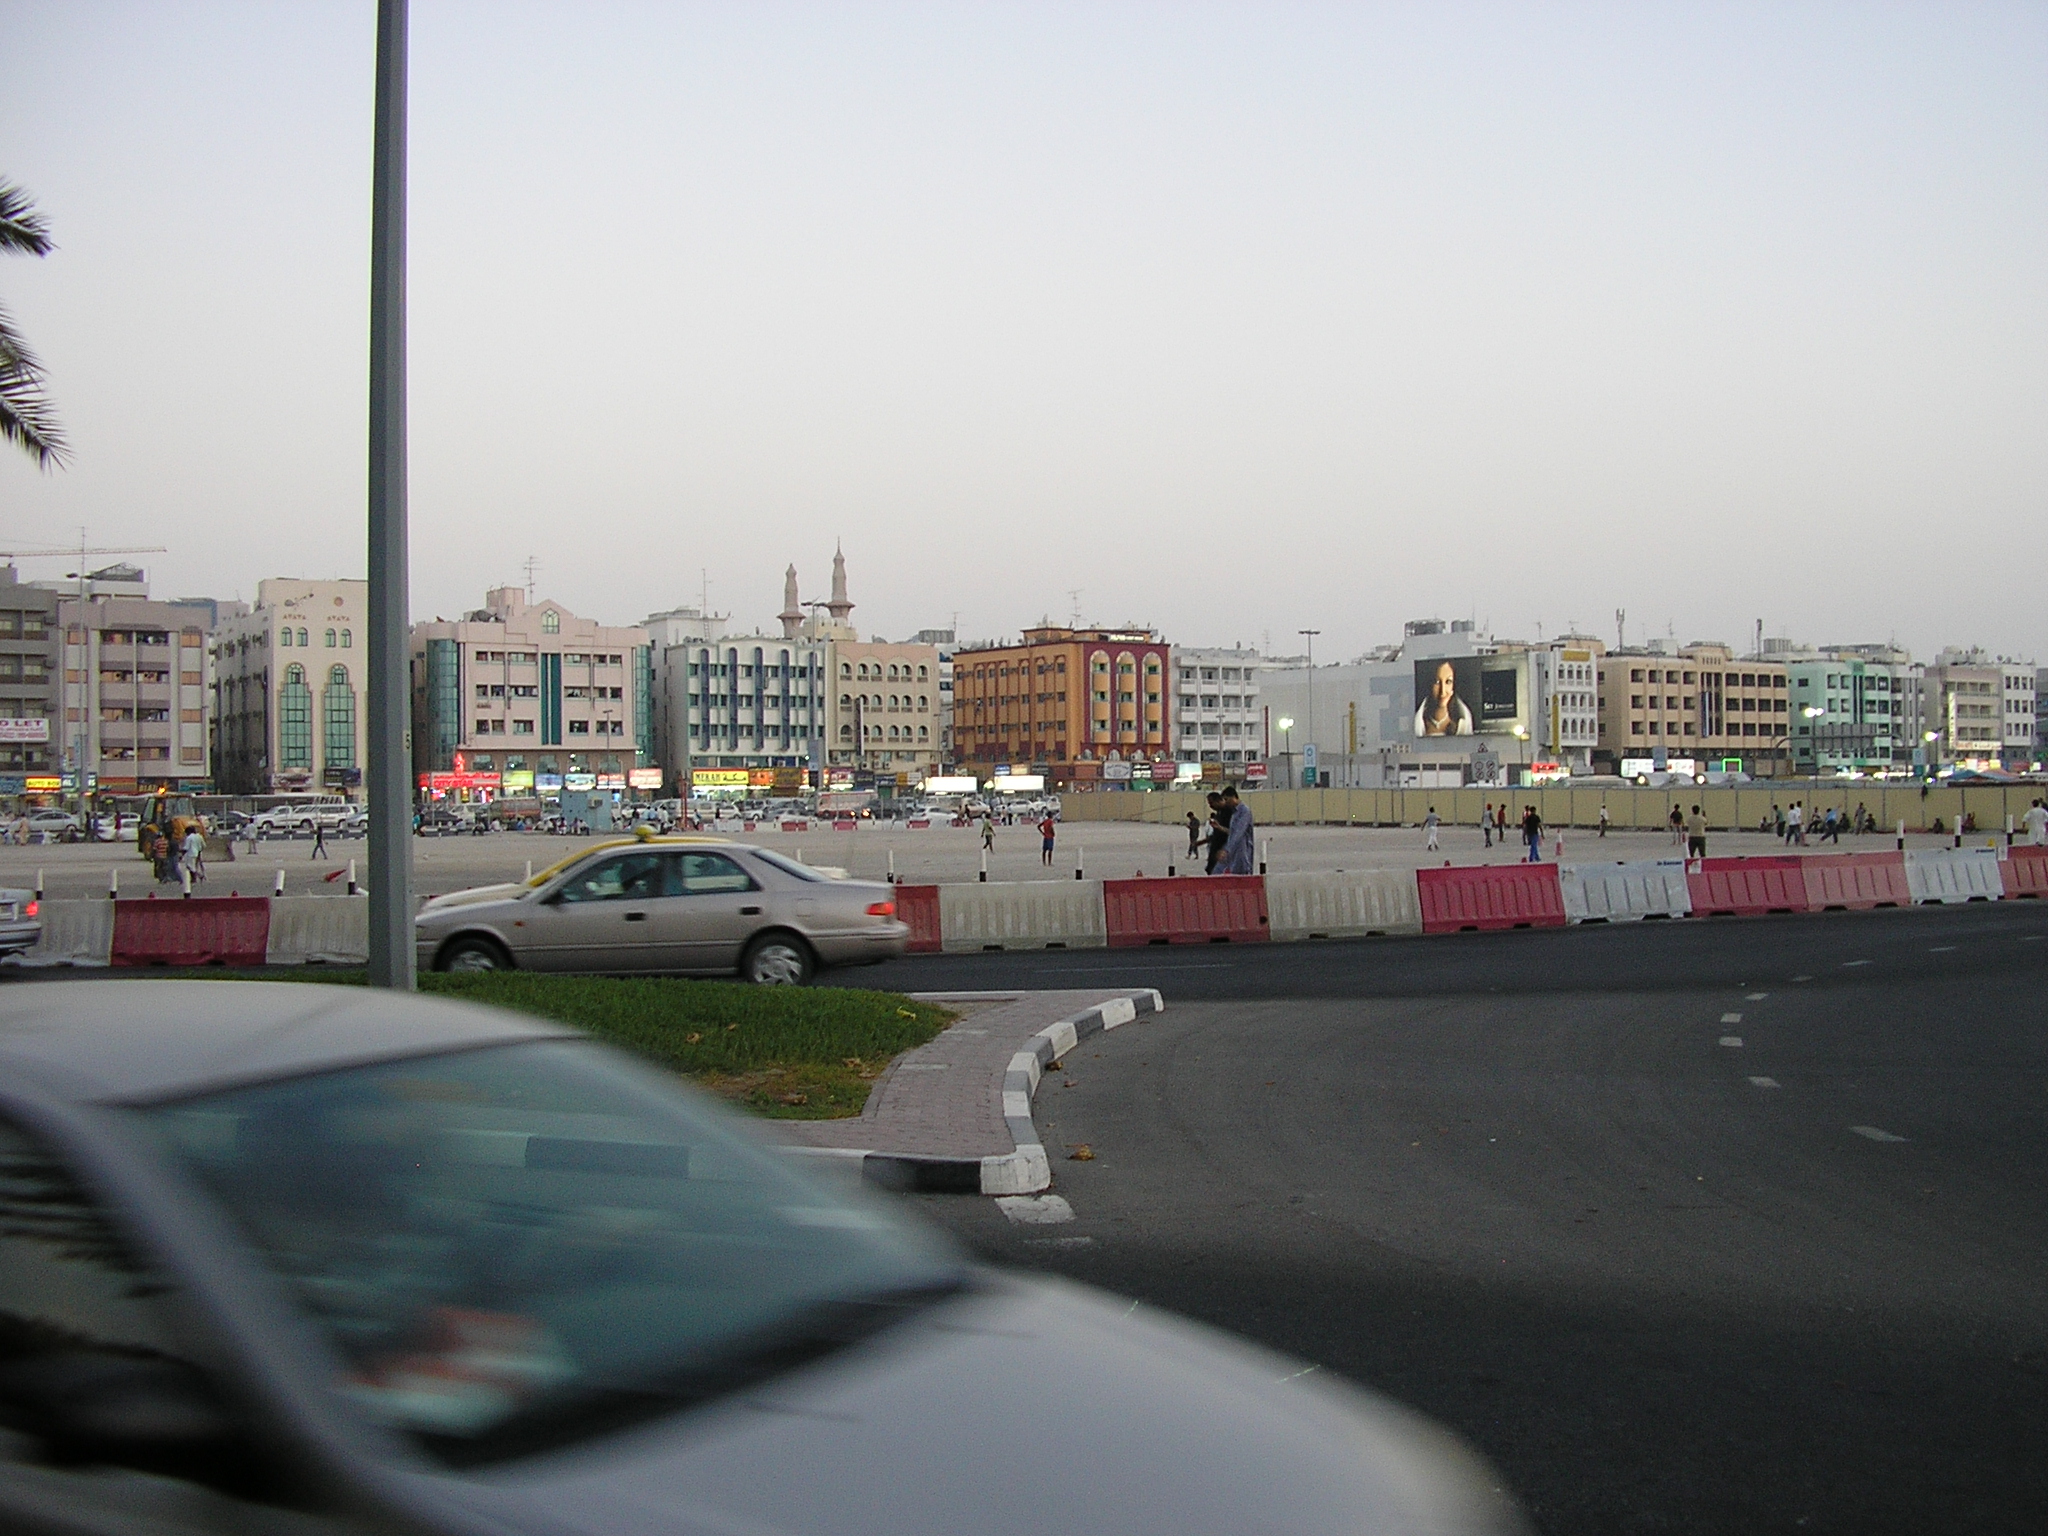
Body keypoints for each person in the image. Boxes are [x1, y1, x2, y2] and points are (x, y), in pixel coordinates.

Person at [1413, 660, 1474, 736]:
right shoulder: (1418, 722)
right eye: (1437, 682)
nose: (1442, 691)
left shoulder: (1463, 724)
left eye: (1448, 682)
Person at [1214, 785, 1255, 875]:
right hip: (1232, 851)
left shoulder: (1244, 812)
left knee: (1242, 877)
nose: (1225, 802)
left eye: (1226, 799)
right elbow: (1232, 832)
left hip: (1242, 851)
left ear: (1233, 797)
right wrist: (1220, 828)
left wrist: (1226, 850)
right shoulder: (1234, 813)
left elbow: (1238, 833)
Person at [1205, 791, 1229, 874]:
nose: (1210, 806)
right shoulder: (1219, 813)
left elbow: (1233, 833)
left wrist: (1225, 850)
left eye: (1211, 803)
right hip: (1215, 849)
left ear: (1218, 801)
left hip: (1222, 851)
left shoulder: (1229, 813)